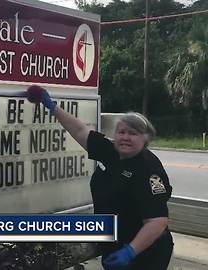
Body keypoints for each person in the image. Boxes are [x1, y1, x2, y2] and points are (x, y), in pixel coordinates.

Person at [26, 85, 173, 270]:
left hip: (146, 252)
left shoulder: (149, 169)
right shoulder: (110, 150)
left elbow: (157, 222)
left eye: (133, 133)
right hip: (115, 243)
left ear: (145, 140)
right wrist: (51, 106)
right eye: (122, 132)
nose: (125, 137)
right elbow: (79, 130)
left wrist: (130, 251)